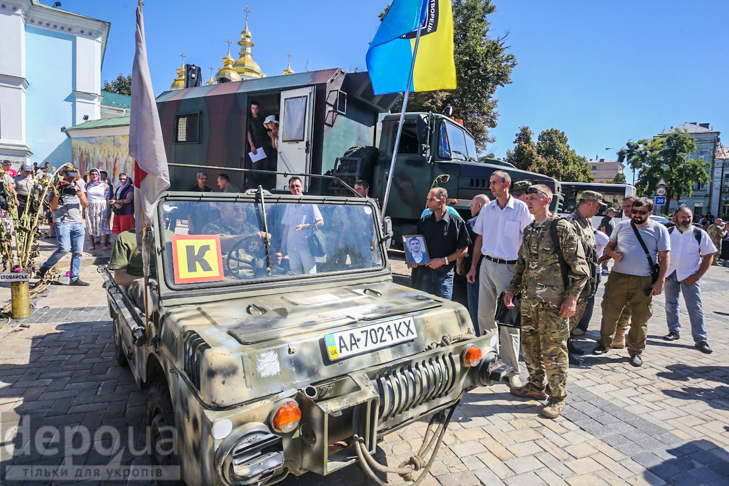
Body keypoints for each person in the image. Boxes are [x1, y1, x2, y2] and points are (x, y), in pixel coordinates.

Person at [504, 184, 588, 419]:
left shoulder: (560, 227)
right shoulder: (530, 228)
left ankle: (557, 397)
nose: (528, 201)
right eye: (526, 198)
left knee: (554, 350)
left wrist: (572, 298)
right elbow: (522, 263)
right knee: (530, 347)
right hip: (531, 302)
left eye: (533, 198)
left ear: (547, 200)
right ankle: (535, 386)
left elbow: (580, 268)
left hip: (554, 303)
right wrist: (512, 290)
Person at [466, 170, 532, 388]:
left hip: (509, 270)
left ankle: (513, 369)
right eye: (490, 182)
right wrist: (474, 266)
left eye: (495, 182)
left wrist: (522, 276)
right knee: (484, 316)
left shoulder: (521, 209)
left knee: (508, 322)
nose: (491, 186)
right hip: (487, 266)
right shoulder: (487, 209)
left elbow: (528, 245)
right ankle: (488, 361)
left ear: (506, 184)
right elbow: (480, 239)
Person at [593, 197, 670, 367]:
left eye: (641, 212)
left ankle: (635, 351)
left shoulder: (659, 229)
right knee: (609, 312)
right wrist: (612, 254)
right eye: (634, 211)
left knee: (640, 317)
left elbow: (665, 257)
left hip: (644, 280)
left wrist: (660, 281)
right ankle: (604, 343)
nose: (636, 215)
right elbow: (609, 246)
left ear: (650, 212)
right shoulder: (621, 226)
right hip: (619, 277)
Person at [663, 208, 715, 354]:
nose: (686, 220)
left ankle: (700, 339)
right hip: (670, 274)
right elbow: (658, 253)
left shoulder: (699, 234)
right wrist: (661, 273)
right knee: (670, 304)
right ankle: (673, 331)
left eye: (689, 217)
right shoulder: (667, 233)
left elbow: (709, 255)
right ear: (675, 218)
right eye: (683, 217)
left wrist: (698, 275)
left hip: (690, 276)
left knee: (696, 307)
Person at [563, 191, 603, 365]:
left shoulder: (586, 222)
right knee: (566, 319)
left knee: (576, 317)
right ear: (588, 203)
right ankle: (562, 350)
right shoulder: (571, 223)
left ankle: (568, 342)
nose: (598, 209)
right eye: (597, 206)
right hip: (573, 281)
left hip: (586, 281)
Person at [409, 187, 470, 300]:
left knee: (444, 308)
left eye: (431, 199)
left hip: (445, 275)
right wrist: (413, 260)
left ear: (442, 201)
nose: (428, 203)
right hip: (425, 274)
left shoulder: (457, 222)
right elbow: (416, 245)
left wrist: (443, 261)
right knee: (424, 306)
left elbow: (464, 249)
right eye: (427, 199)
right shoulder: (424, 221)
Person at [36, 164, 90, 286]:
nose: (72, 179)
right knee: (64, 248)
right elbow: (53, 208)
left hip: (77, 222)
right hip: (62, 221)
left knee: (78, 252)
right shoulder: (55, 186)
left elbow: (85, 205)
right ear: (63, 174)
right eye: (69, 176)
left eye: (74, 176)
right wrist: (57, 195)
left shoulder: (79, 184)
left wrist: (81, 196)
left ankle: (74, 278)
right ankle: (45, 267)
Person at [597, 195, 638, 349]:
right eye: (625, 206)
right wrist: (602, 259)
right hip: (620, 272)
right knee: (610, 303)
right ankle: (612, 335)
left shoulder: (650, 226)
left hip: (640, 275)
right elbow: (612, 246)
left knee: (632, 307)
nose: (626, 209)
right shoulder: (622, 226)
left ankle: (621, 334)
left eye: (630, 206)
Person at [457, 194, 489, 332]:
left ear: (479, 206)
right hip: (491, 269)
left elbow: (465, 248)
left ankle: (476, 333)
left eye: (472, 205)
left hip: (473, 270)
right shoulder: (495, 221)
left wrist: (459, 265)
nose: (470, 209)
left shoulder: (472, 223)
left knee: (474, 305)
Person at [278, 177, 323, 274]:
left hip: (306, 245)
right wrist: (282, 246)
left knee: (310, 272)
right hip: (291, 246)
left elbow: (321, 222)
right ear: (289, 189)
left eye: (297, 186)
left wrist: (305, 226)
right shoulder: (289, 205)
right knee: (294, 273)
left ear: (302, 187)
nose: (295, 189)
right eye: (292, 187)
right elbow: (286, 227)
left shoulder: (310, 203)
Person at [108, 228, 157, 311]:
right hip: (138, 287)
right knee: (142, 285)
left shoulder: (169, 236)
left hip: (167, 285)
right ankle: (150, 319)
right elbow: (119, 278)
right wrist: (152, 281)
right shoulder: (124, 237)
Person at [572, 227, 609, 336]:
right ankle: (572, 325)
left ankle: (582, 327)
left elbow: (613, 248)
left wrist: (600, 260)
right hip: (577, 271)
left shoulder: (598, 235)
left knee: (588, 300)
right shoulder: (574, 232)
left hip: (593, 273)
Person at [84, 168, 111, 250]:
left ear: (98, 175)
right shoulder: (87, 185)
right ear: (90, 175)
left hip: (101, 206)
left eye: (96, 174)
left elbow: (107, 198)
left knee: (103, 225)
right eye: (92, 174)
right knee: (90, 225)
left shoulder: (104, 185)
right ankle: (92, 244)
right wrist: (83, 209)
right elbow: (85, 197)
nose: (94, 176)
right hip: (90, 206)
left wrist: (109, 209)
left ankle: (105, 244)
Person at [598, 207, 617, 274]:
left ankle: (604, 267)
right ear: (608, 212)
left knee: (608, 253)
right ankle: (603, 267)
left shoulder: (612, 220)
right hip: (606, 239)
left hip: (611, 239)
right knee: (606, 253)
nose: (614, 213)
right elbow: (603, 229)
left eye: (615, 212)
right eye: (613, 212)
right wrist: (604, 238)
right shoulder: (605, 219)